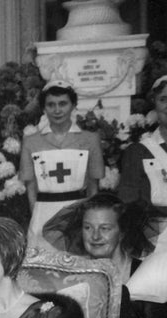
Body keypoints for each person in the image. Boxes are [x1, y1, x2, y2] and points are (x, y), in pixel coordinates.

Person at [20, 80, 104, 244]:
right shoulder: (31, 142)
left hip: (78, 212)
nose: (57, 110)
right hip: (43, 213)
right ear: (44, 108)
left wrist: (89, 217)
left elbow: (93, 185)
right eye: (51, 105)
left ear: (73, 105)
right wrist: (36, 215)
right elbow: (31, 186)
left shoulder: (90, 139)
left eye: (63, 104)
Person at [117, 74, 167, 252]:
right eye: (163, 99)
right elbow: (128, 201)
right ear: (155, 104)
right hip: (154, 239)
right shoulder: (137, 151)